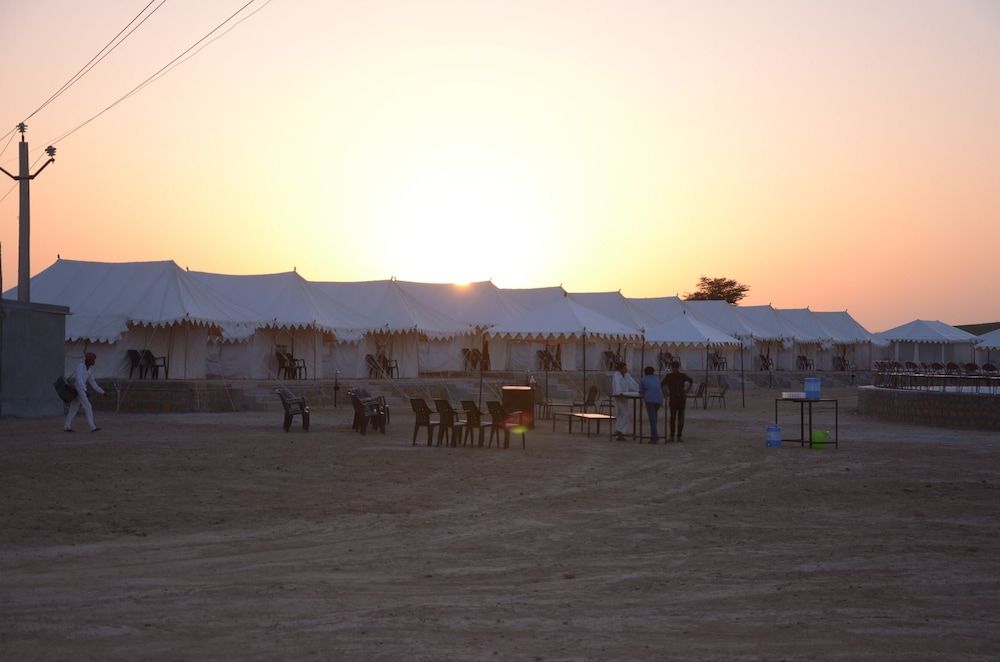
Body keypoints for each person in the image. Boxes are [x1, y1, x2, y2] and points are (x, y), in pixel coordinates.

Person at [64, 352, 105, 432]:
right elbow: (79, 379)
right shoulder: (80, 366)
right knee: (88, 406)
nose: (94, 362)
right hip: (78, 387)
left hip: (81, 389)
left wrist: (102, 392)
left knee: (74, 407)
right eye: (93, 360)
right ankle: (92, 427)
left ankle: (67, 426)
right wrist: (84, 390)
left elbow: (93, 383)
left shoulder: (89, 371)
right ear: (89, 361)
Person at [660, 360, 693, 441]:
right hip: (675, 398)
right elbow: (662, 384)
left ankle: (678, 436)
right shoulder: (670, 376)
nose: (674, 369)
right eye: (674, 368)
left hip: (680, 398)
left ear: (677, 368)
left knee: (679, 418)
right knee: (673, 417)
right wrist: (666, 392)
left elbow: (691, 381)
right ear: (672, 368)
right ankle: (673, 435)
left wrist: (687, 391)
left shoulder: (680, 376)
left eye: (675, 368)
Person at [611, 361, 639, 441]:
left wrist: (639, 389)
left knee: (623, 414)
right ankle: (620, 430)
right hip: (618, 396)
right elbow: (617, 385)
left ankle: (619, 431)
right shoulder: (616, 375)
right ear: (621, 369)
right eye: (624, 368)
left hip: (625, 396)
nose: (626, 369)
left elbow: (633, 384)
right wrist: (619, 392)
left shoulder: (627, 375)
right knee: (624, 414)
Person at [639, 365, 664, 444]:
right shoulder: (657, 379)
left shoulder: (643, 379)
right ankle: (654, 435)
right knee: (654, 417)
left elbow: (641, 391)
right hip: (659, 399)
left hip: (649, 399)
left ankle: (654, 437)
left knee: (652, 419)